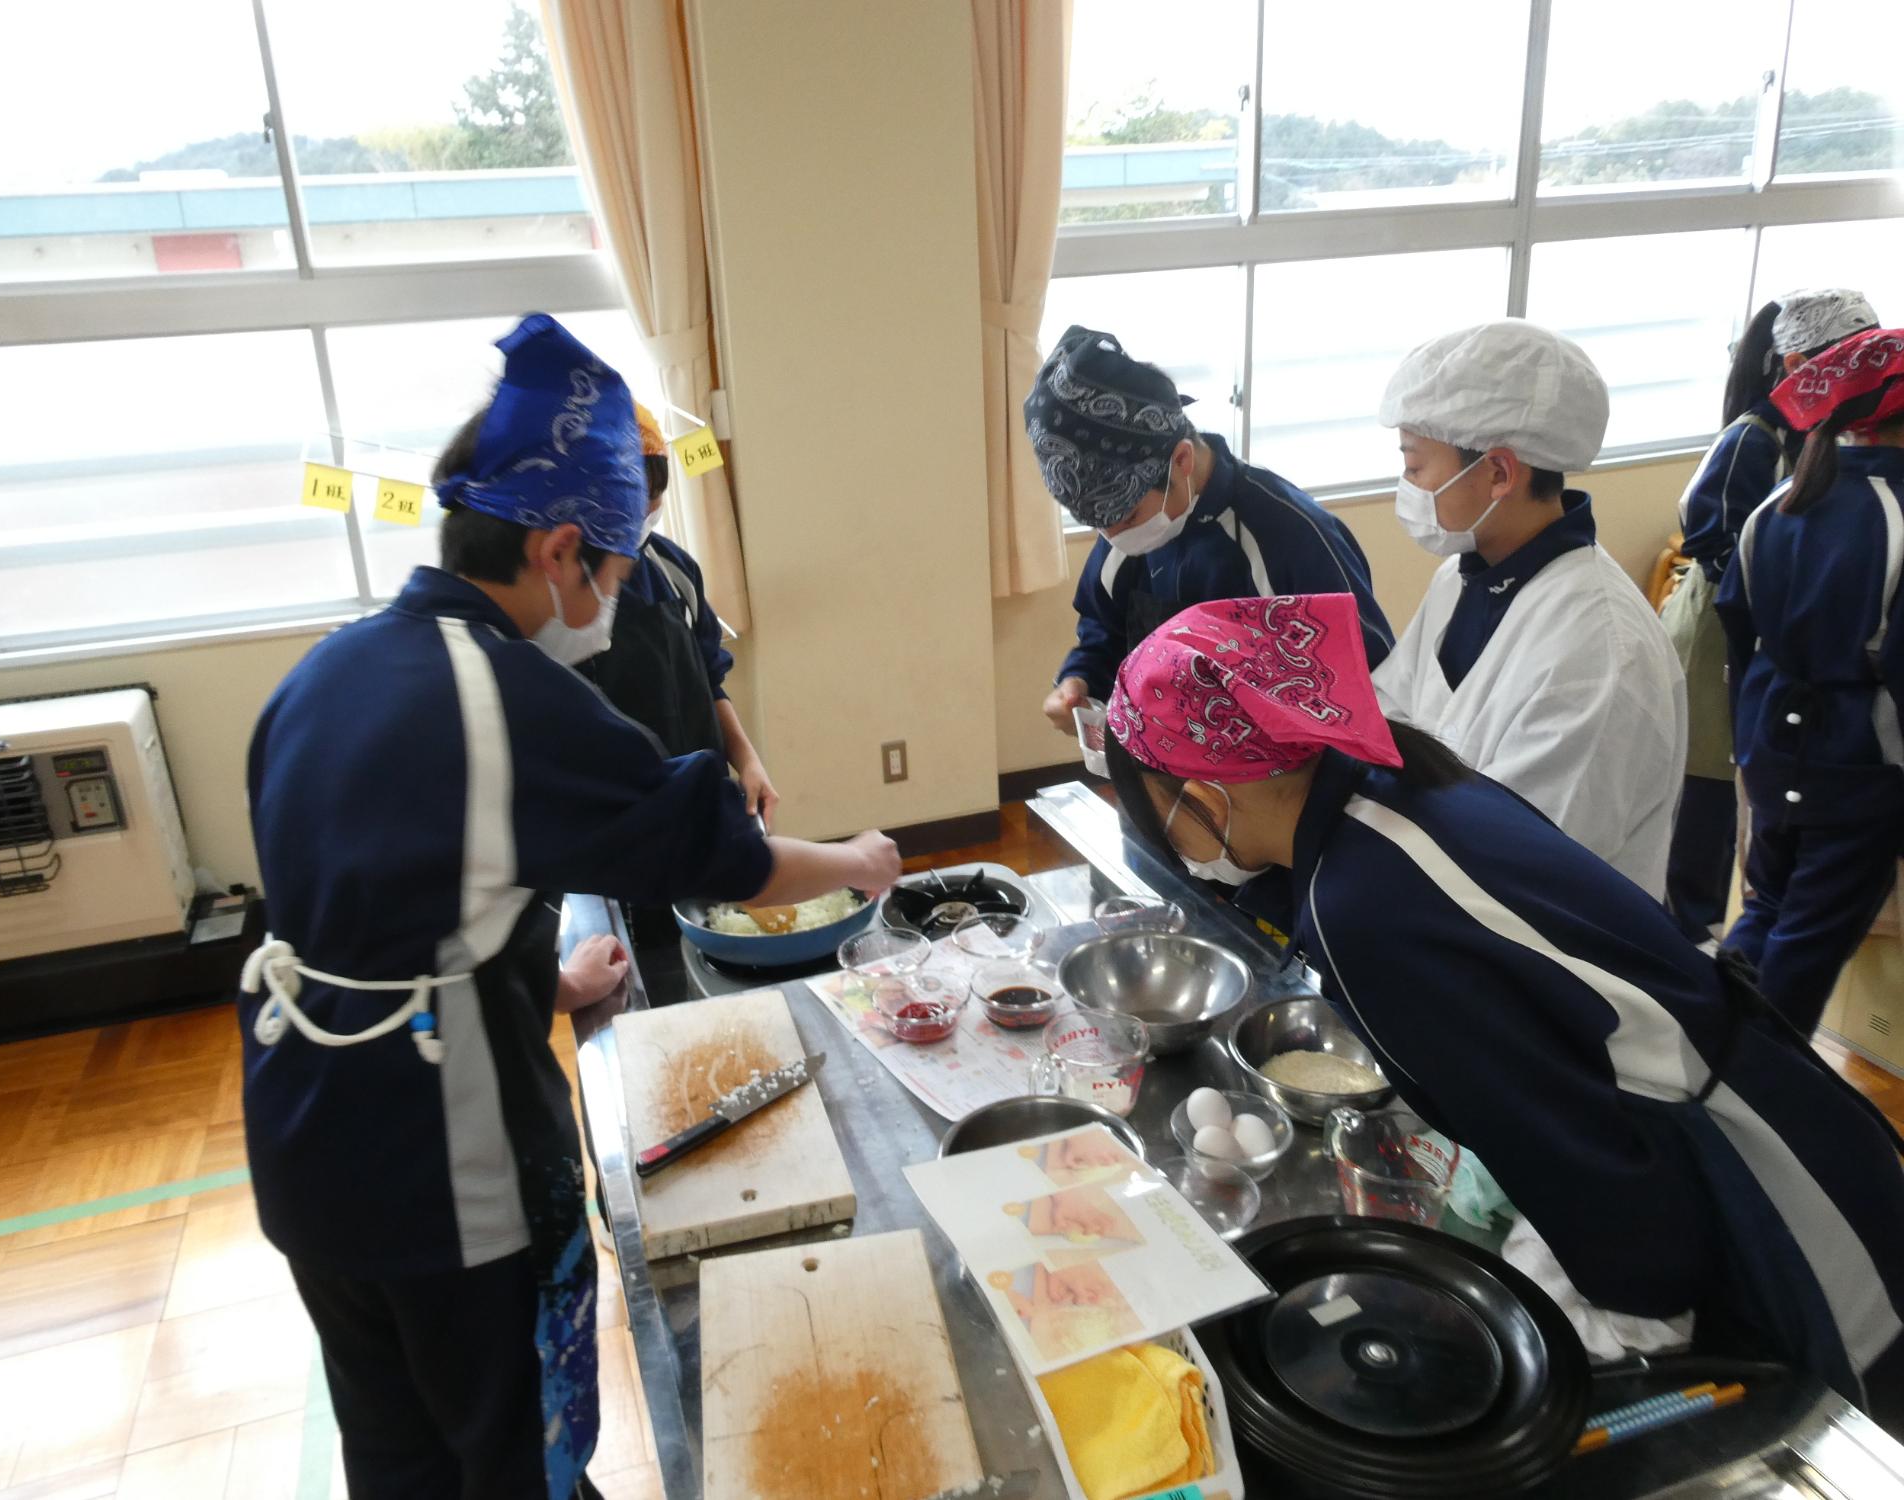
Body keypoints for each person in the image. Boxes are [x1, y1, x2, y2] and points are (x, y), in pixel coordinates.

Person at [241, 315, 901, 1500]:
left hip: (302, 1137)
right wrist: (854, 860)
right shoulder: (504, 694)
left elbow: (380, 912)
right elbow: (719, 858)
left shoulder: (329, 668)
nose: (611, 597)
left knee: (395, 1444)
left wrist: (543, 983)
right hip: (434, 1158)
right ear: (555, 551)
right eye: (610, 569)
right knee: (513, 1445)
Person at [1104, 594, 1904, 1427]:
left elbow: (1564, 1140)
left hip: (1761, 1188)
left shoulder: (1361, 909)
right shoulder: (1383, 785)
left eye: (1157, 818)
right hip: (1766, 1113)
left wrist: (1626, 1321)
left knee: (1846, 1425)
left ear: (1203, 798)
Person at [1374, 319, 1686, 898]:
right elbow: (1389, 714)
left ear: (1498, 472)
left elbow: (1525, 861)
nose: (1408, 485)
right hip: (1437, 896)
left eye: (1416, 467)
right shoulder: (1461, 578)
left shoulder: (1601, 650)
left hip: (1543, 934)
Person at [1025, 325, 1391, 740]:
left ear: (1180, 460)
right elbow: (1104, 630)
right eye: (1097, 524)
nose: (1114, 537)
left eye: (1126, 516)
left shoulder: (1291, 539)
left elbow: (1368, 686)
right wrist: (1079, 681)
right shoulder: (1123, 530)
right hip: (1158, 761)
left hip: (1280, 773)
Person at [1665, 289, 1880, 941]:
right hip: (1718, 638)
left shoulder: (1839, 437)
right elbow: (1713, 540)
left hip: (1781, 640)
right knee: (1706, 798)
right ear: (1795, 367)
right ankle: (1687, 941)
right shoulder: (1751, 438)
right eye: (1851, 360)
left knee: (1756, 798)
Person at [1717, 326, 1904, 1036]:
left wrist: (1750, 742)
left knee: (1766, 905)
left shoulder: (1779, 504)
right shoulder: (1897, 511)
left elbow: (1741, 632)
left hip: (1770, 744)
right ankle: (1766, 1080)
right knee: (1813, 935)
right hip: (1861, 760)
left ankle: (1709, 1045)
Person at [582, 402, 778, 825]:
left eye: (654, 495)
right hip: (618, 813)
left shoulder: (675, 569)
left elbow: (710, 680)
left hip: (700, 794)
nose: (645, 509)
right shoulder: (570, 590)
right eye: (633, 496)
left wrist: (748, 761)